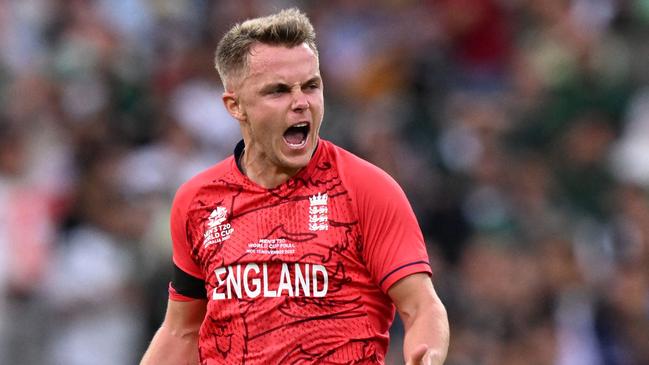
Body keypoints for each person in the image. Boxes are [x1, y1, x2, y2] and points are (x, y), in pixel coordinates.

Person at [140, 8, 449, 365]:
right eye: (279, 91)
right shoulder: (197, 201)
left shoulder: (365, 188)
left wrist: (427, 354)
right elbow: (182, 331)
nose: (301, 102)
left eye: (311, 86)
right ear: (235, 105)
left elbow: (421, 304)